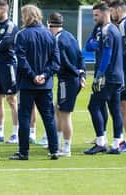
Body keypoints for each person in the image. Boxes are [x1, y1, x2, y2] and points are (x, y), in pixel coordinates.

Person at [9, 4, 60, 161]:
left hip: (27, 84)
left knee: (24, 117)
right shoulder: (49, 35)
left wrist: (33, 76)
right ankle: (54, 150)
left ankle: (23, 152)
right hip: (45, 84)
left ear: (26, 17)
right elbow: (56, 61)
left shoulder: (22, 35)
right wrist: (44, 75)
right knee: (49, 117)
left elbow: (21, 60)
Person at [84, 2, 124, 155]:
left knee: (93, 106)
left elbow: (107, 55)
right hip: (116, 76)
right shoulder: (106, 29)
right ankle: (115, 145)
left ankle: (100, 142)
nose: (94, 18)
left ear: (105, 13)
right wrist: (96, 44)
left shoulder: (108, 31)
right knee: (114, 109)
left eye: (96, 15)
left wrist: (99, 75)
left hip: (107, 76)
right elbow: (88, 45)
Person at [47, 12, 85, 156]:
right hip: (72, 79)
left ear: (49, 23)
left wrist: (75, 72)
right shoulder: (69, 35)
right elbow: (80, 55)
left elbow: (63, 62)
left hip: (67, 80)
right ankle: (55, 142)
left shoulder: (58, 40)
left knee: (64, 113)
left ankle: (66, 148)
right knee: (58, 109)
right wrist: (81, 73)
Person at [0, 0, 19, 144]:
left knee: (12, 100)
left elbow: (5, 44)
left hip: (8, 67)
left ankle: (16, 132)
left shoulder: (11, 26)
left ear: (4, 10)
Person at [110, 0, 126, 152]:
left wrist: (122, 64)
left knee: (124, 105)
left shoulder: (125, 25)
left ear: (118, 9)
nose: (111, 14)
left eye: (111, 11)